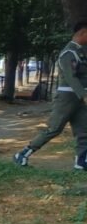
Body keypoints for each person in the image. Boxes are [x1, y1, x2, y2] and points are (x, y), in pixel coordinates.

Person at [14, 21, 87, 169]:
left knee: (84, 130)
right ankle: (23, 154)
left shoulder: (80, 51)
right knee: (54, 128)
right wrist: (84, 95)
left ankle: (80, 162)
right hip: (67, 98)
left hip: (79, 98)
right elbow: (71, 77)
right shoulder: (68, 53)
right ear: (83, 33)